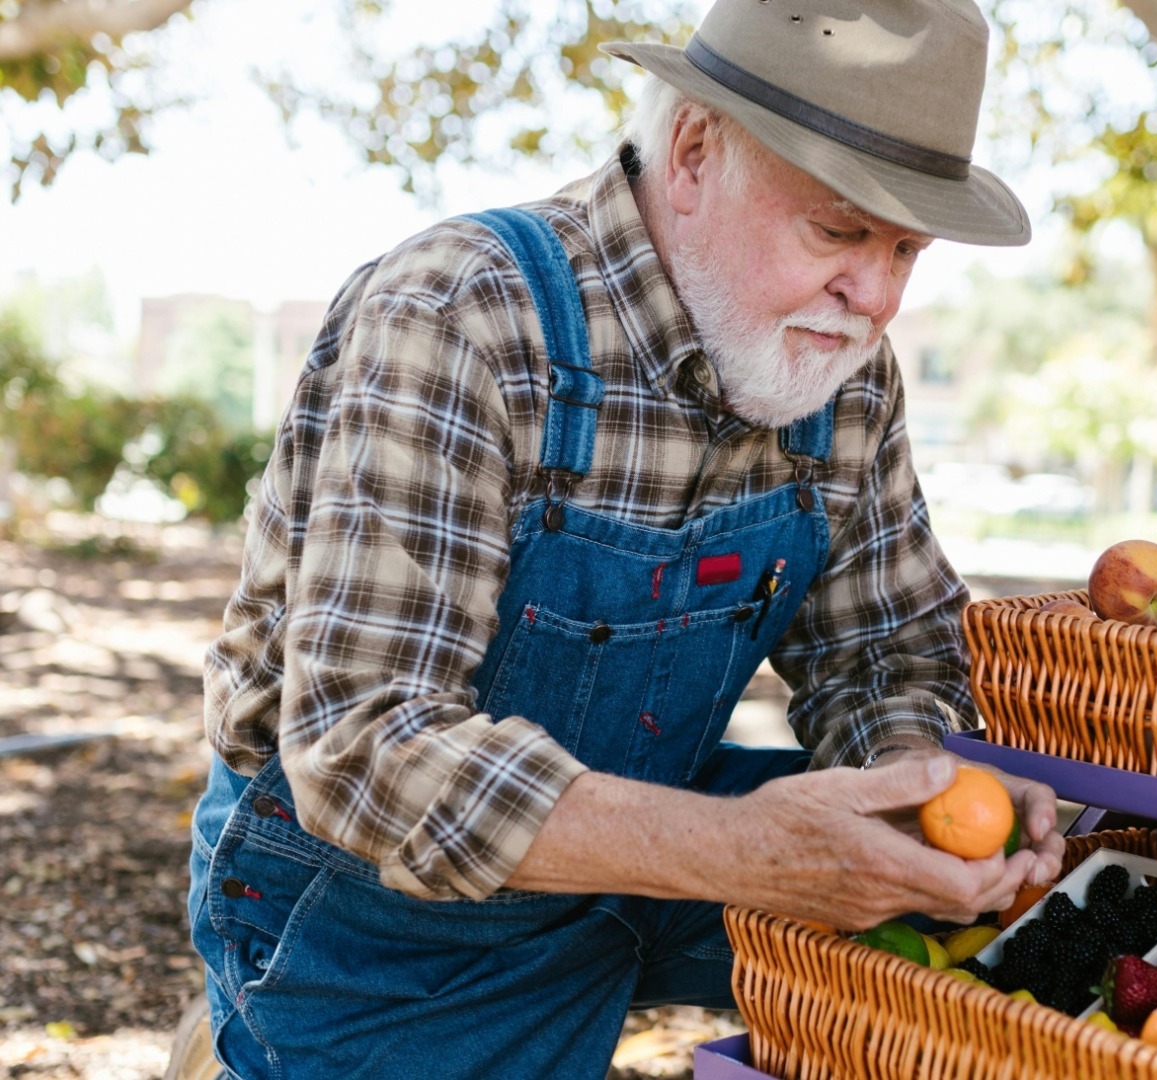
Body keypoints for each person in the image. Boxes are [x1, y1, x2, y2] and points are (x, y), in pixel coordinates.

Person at [184, 0, 1068, 1076]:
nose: (873, 297)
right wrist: (749, 853)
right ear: (694, 152)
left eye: (905, 251)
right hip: (382, 907)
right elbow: (362, 749)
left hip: (663, 855)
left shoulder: (839, 369)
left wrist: (914, 795)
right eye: (838, 230)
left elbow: (889, 651)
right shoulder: (461, 313)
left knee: (1031, 943)